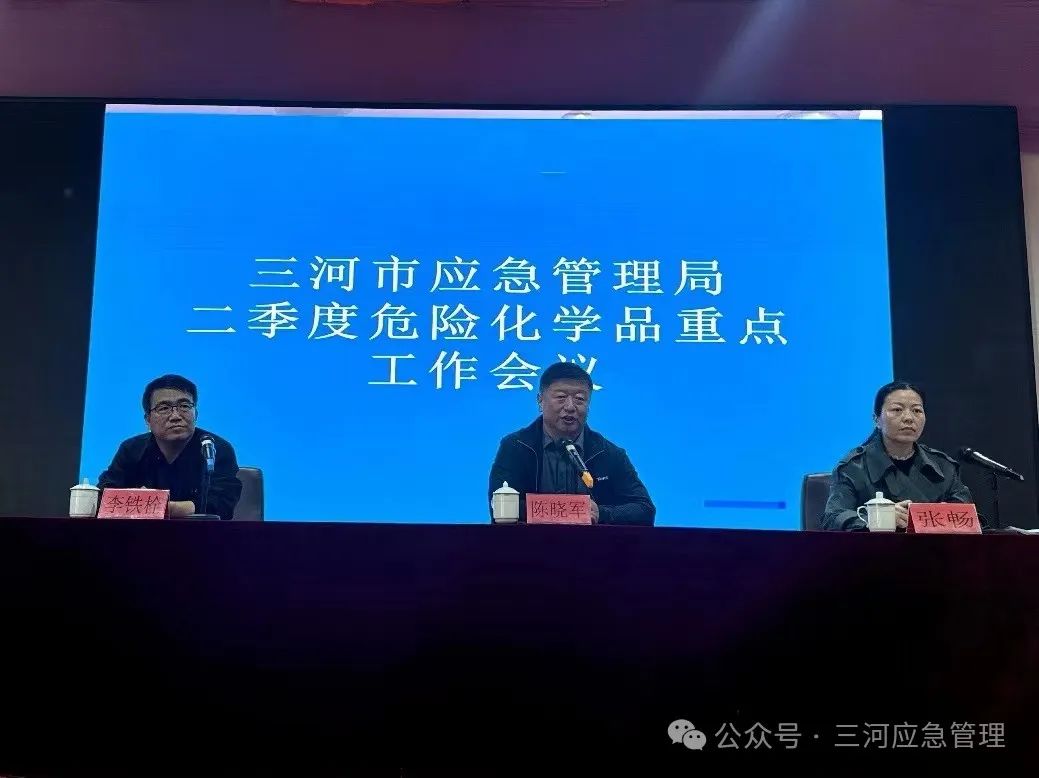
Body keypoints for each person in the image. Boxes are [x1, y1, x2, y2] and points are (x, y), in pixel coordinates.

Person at [487, 362, 655, 526]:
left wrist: (602, 513)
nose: (570, 407)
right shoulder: (516, 446)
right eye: (561, 397)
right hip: (531, 544)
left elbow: (644, 509)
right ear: (540, 400)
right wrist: (566, 512)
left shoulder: (608, 453)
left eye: (579, 399)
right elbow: (499, 508)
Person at [821, 381, 974, 531]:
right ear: (876, 419)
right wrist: (877, 519)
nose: (909, 418)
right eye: (897, 410)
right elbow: (833, 518)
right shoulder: (853, 467)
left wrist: (941, 515)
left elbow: (970, 518)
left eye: (917, 411)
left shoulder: (944, 466)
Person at [98, 374, 242, 520]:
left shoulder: (214, 449)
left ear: (196, 414)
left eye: (184, 406)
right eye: (164, 408)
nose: (175, 416)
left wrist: (159, 506)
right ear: (148, 419)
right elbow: (105, 495)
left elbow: (223, 504)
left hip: (200, 532)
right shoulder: (131, 449)